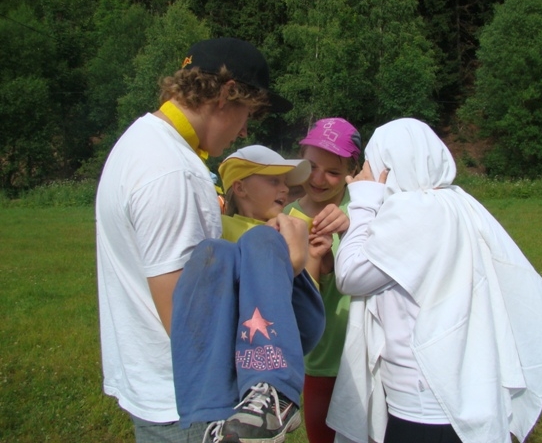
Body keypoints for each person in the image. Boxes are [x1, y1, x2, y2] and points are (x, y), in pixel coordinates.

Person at [95, 37, 298, 442]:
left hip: (159, 388)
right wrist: (284, 268)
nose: (245, 129)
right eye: (247, 113)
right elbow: (189, 323)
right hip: (194, 402)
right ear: (226, 94)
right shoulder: (174, 172)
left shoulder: (140, 141)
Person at [325, 118, 542, 443]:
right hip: (459, 386)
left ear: (389, 166)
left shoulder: (414, 212)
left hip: (422, 402)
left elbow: (350, 275)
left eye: (370, 161)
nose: (365, 171)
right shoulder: (455, 202)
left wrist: (364, 200)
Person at [171, 145, 331, 443]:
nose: (285, 189)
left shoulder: (291, 225)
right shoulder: (218, 229)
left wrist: (302, 259)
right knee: (213, 251)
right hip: (236, 333)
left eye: (286, 182)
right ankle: (215, 412)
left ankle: (275, 392)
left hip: (288, 326)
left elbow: (309, 316)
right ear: (240, 187)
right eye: (274, 181)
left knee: (261, 238)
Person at [283, 117, 362, 443]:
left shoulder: (364, 209)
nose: (318, 179)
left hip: (367, 355)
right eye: (312, 166)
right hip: (318, 361)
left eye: (332, 171)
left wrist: (351, 227)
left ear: (352, 172)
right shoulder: (286, 217)